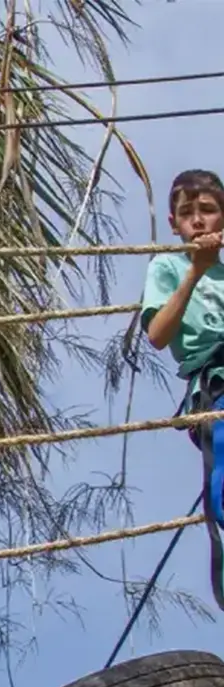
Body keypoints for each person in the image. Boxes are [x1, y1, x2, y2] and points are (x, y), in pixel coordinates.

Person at [143, 169, 224, 605]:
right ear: (174, 224)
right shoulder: (168, 267)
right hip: (217, 387)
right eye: (187, 212)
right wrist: (196, 271)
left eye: (208, 210)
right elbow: (157, 335)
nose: (198, 220)